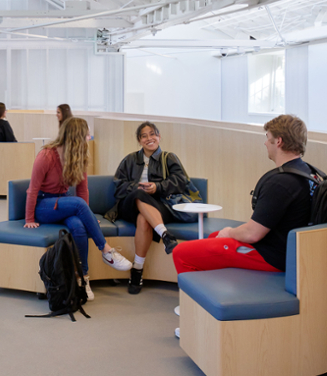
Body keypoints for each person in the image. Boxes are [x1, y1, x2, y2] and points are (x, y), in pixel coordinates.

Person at [173, 114, 314, 276]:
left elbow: (252, 234)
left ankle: (193, 301)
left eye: (268, 138)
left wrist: (229, 231)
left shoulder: (281, 183)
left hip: (270, 256)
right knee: (213, 236)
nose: (265, 142)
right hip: (283, 249)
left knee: (180, 252)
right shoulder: (307, 173)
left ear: (279, 141)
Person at [24, 116, 132, 301]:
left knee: (79, 227)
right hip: (44, 206)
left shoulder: (78, 156)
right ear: (76, 136)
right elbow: (33, 189)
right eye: (86, 134)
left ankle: (83, 279)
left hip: (63, 204)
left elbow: (82, 189)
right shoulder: (46, 155)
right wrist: (29, 219)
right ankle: (106, 250)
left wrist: (86, 216)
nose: (89, 137)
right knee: (79, 204)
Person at [105, 121, 195, 294]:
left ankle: (137, 270)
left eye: (153, 134)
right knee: (140, 194)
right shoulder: (130, 159)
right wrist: (137, 188)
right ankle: (165, 235)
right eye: (144, 136)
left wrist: (158, 187)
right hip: (128, 206)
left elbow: (181, 181)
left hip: (160, 207)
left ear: (159, 136)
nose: (149, 138)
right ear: (139, 140)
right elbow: (118, 185)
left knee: (143, 219)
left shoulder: (169, 158)